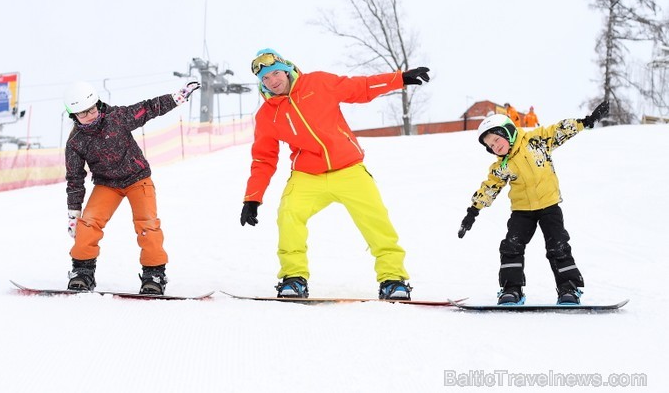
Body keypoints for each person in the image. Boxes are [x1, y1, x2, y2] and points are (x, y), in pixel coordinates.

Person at [240, 48, 430, 300]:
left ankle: (392, 279)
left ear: (286, 70)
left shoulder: (317, 83)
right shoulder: (267, 115)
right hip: (307, 175)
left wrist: (399, 78)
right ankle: (293, 278)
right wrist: (252, 197)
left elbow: (360, 88)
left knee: (376, 219)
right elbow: (264, 158)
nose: (273, 81)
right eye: (265, 79)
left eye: (276, 73)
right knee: (289, 214)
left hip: (349, 168)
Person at [457, 101, 609, 305]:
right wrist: (472, 212)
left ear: (507, 131)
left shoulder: (536, 140)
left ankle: (569, 289)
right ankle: (511, 290)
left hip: (549, 206)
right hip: (522, 212)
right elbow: (489, 187)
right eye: (491, 146)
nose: (495, 146)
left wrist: (587, 121)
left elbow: (559, 131)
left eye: (496, 139)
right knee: (511, 246)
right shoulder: (502, 165)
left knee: (558, 245)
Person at [63, 80, 200, 294]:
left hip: (137, 179)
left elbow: (148, 108)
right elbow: (74, 178)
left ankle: (154, 275)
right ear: (74, 117)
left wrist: (176, 98)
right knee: (88, 224)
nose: (89, 116)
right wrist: (73, 213)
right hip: (107, 184)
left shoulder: (117, 118)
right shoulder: (75, 142)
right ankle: (82, 272)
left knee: (147, 224)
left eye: (91, 110)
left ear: (97, 105)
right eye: (82, 114)